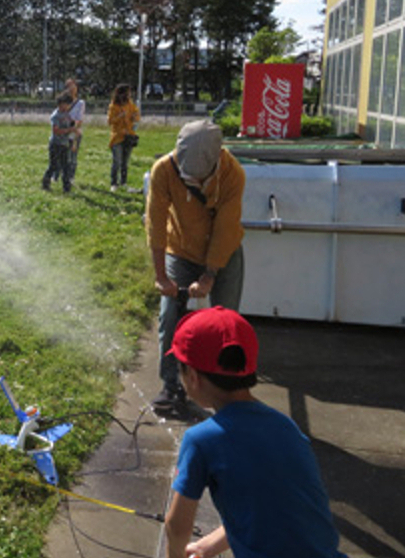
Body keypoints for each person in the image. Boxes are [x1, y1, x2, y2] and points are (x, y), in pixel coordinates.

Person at [164, 306, 347, 558]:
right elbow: (272, 507)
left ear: (193, 376)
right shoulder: (285, 427)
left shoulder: (201, 440)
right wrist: (209, 546)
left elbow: (176, 527)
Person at [145, 119, 245, 411]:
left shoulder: (233, 174)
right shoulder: (164, 170)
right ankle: (171, 385)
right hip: (182, 250)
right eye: (191, 178)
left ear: (217, 159)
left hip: (225, 254)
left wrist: (210, 274)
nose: (196, 183)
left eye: (202, 179)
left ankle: (227, 389)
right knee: (169, 317)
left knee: (227, 320)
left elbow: (226, 228)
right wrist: (161, 276)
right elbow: (156, 224)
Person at [106, 83, 140, 192]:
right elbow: (110, 121)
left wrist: (135, 117)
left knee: (125, 162)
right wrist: (119, 117)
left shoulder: (130, 104)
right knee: (117, 161)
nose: (129, 95)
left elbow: (137, 114)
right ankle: (114, 183)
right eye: (128, 92)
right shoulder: (113, 106)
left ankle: (123, 182)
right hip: (117, 137)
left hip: (129, 136)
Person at [42, 92, 76, 193]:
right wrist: (69, 130)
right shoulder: (55, 115)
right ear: (61, 104)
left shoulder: (67, 114)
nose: (69, 106)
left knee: (66, 166)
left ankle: (66, 187)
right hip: (55, 144)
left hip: (64, 144)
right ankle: (45, 183)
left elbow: (71, 124)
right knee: (53, 165)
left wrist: (73, 127)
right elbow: (56, 131)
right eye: (67, 104)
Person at [64, 78, 85, 182]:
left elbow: (79, 119)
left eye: (73, 86)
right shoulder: (62, 101)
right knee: (62, 155)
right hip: (63, 132)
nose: (71, 89)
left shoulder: (80, 103)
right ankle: (59, 175)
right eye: (69, 86)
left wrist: (74, 128)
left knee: (73, 156)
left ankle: (71, 177)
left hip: (75, 132)